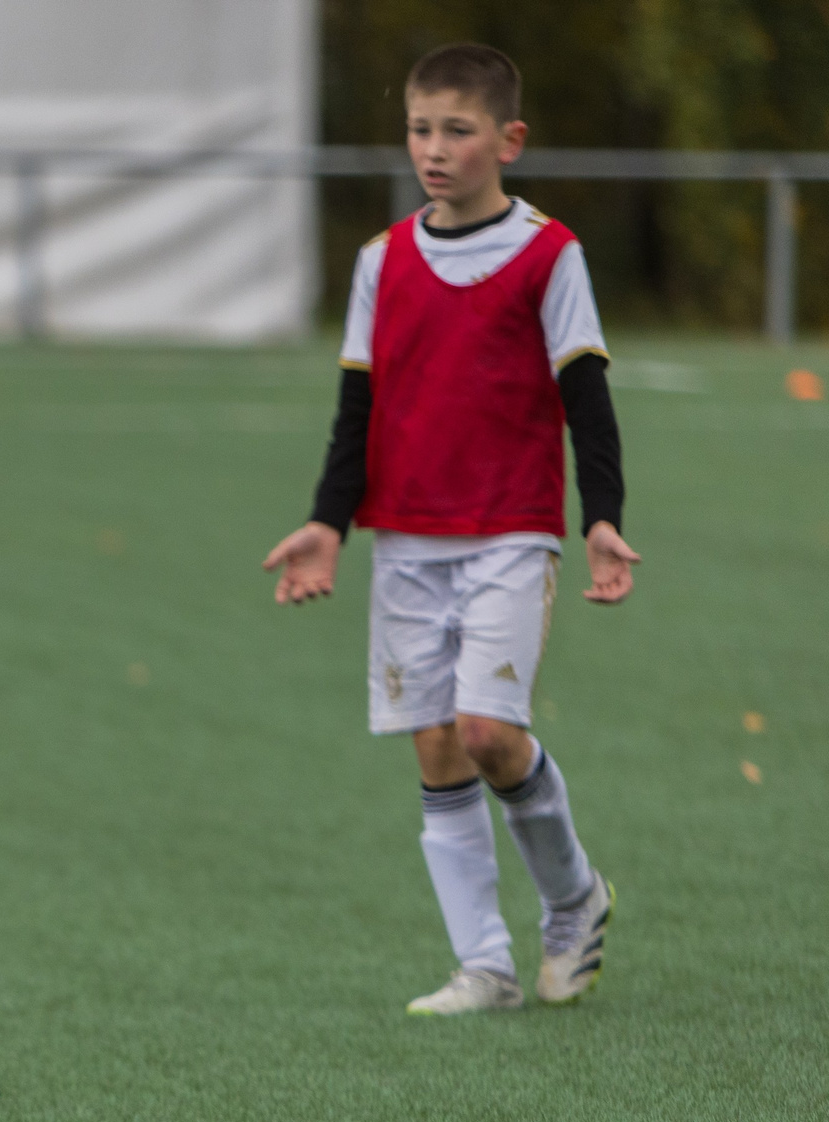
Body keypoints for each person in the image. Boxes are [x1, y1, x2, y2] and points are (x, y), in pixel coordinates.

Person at [262, 42, 632, 1016]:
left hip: (511, 530)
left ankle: (573, 899)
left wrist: (602, 521)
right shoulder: (381, 261)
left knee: (488, 735)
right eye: (420, 128)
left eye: (456, 130)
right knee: (434, 747)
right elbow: (358, 411)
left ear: (507, 139)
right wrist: (324, 525)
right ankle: (485, 966)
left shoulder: (550, 255)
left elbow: (586, 400)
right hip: (407, 540)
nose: (433, 148)